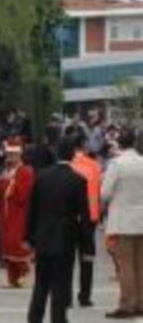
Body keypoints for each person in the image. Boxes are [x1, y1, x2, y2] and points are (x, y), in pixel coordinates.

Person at [26, 137, 89, 323]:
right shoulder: (78, 180)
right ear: (72, 155)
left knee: (41, 285)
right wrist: (86, 245)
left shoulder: (41, 177)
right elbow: (84, 217)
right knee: (61, 287)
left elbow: (31, 209)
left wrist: (29, 238)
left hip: (43, 238)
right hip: (65, 239)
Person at [101, 129, 143, 319]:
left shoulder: (117, 164)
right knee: (140, 264)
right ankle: (140, 302)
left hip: (123, 220)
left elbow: (105, 193)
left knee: (125, 265)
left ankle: (127, 303)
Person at [0, 138, 35, 289]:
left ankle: (24, 272)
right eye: (8, 155)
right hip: (5, 213)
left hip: (19, 213)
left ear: (19, 155)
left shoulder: (26, 171)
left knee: (16, 242)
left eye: (13, 155)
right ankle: (12, 278)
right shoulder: (5, 172)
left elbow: (24, 194)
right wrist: (0, 183)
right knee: (7, 244)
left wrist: (9, 182)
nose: (10, 158)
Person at [70, 131, 101, 307]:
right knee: (87, 258)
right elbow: (97, 192)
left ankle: (65, 295)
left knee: (67, 258)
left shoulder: (68, 166)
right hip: (89, 218)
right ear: (84, 146)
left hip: (69, 218)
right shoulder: (94, 166)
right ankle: (85, 296)